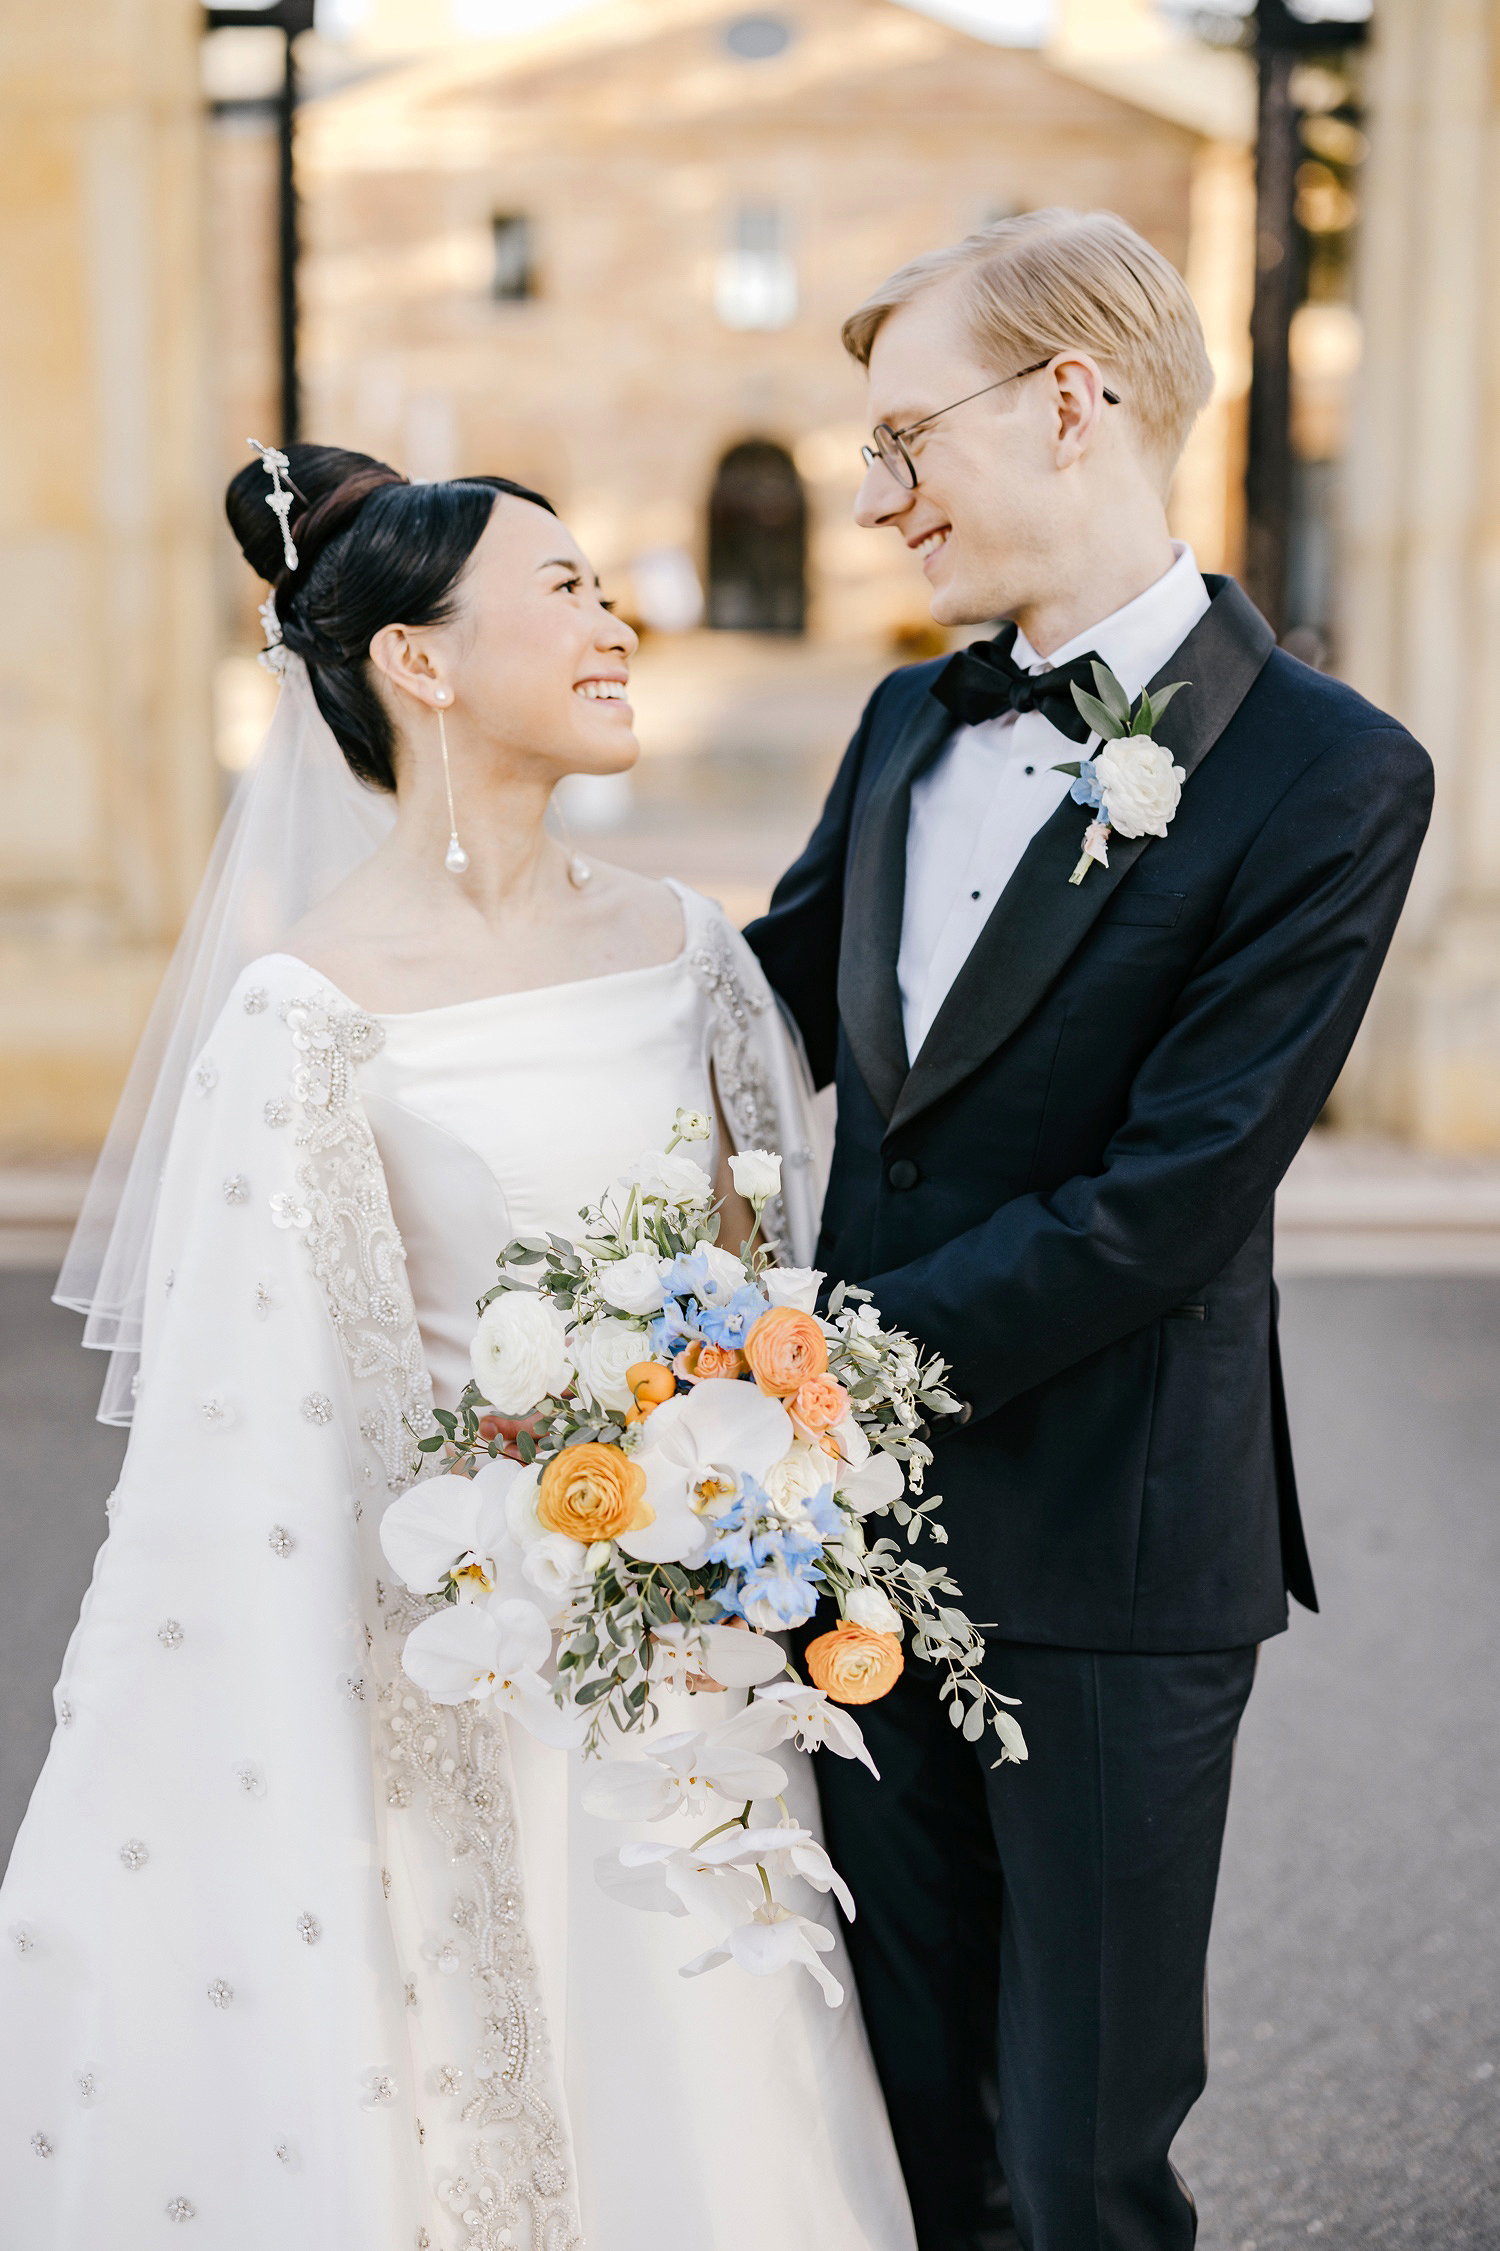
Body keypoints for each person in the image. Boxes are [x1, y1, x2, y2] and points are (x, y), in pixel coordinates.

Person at [0, 445, 915, 2251]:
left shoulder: (690, 956)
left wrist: (744, 1497)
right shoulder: (309, 1015)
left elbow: (767, 1306)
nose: (614, 619)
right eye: (563, 589)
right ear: (420, 662)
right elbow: (264, 1452)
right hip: (473, 1685)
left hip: (701, 1683)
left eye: (603, 585)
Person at [745, 209, 1433, 2251]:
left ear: (1072, 398)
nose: (876, 502)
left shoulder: (1334, 773)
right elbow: (748, 1018)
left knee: (1080, 2160)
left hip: (1114, 1556)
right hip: (847, 1538)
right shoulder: (904, 727)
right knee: (901, 2130)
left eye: (903, 440)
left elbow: (1169, 1202)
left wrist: (817, 1364)